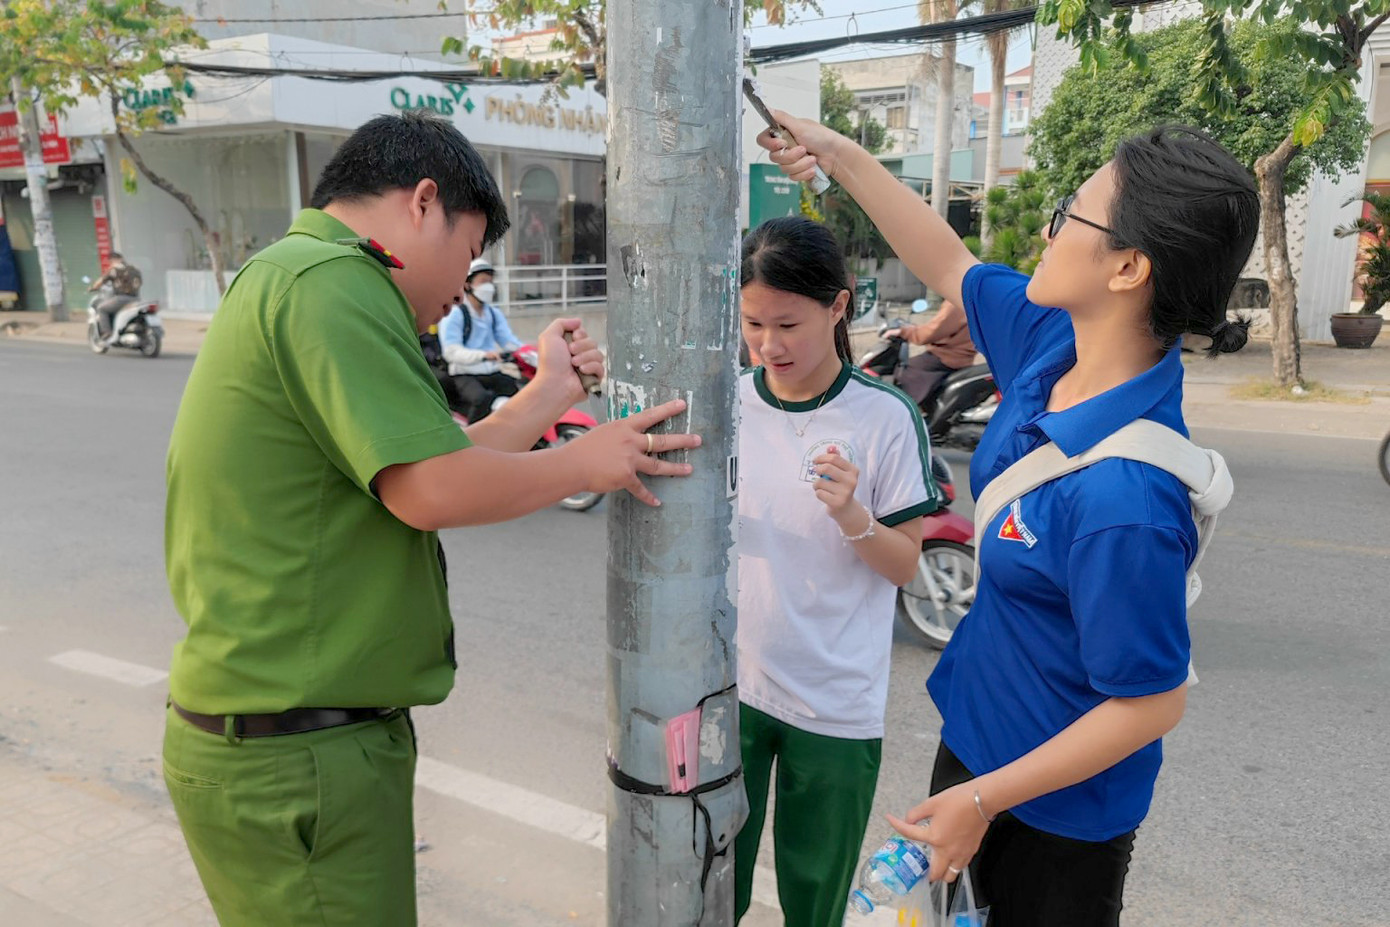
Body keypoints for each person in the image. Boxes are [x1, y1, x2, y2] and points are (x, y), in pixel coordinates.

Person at [162, 110, 700, 927]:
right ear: (423, 201)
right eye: (471, 249)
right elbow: (432, 490)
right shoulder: (332, 282)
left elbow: (435, 463)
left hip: (286, 739)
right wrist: (591, 460)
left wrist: (550, 396)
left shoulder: (300, 275)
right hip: (297, 754)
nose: (463, 284)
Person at [761, 120, 1258, 926]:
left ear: (1129, 267)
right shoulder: (1053, 340)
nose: (1051, 227)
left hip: (1057, 819)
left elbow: (1152, 702)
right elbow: (949, 262)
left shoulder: (1125, 499)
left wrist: (985, 800)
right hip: (977, 746)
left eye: (1073, 212)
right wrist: (838, 154)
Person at [734, 216, 942, 926]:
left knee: (813, 902)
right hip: (731, 688)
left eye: (788, 323)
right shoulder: (731, 400)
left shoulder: (884, 418)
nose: (769, 344)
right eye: (753, 323)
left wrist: (852, 512)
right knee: (709, 883)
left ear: (839, 306)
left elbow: (905, 561)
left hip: (833, 703)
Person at [440, 257, 523, 421]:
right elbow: (451, 352)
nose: (489, 287)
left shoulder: (493, 313)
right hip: (465, 374)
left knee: (520, 396)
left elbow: (509, 341)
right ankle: (471, 440)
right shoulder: (455, 314)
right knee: (481, 399)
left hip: (491, 370)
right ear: (467, 285)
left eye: (490, 282)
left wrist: (530, 353)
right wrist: (483, 355)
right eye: (483, 281)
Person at [883, 297, 978, 409]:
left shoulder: (957, 301)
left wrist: (903, 332)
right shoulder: (972, 299)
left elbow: (931, 332)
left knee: (902, 371)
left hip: (945, 357)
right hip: (962, 358)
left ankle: (907, 412)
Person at [88, 251, 143, 345]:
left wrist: (93, 288)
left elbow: (101, 281)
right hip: (136, 299)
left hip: (121, 299)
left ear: (114, 260)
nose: (111, 262)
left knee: (102, 309)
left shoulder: (114, 270)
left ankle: (107, 333)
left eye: (112, 260)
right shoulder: (134, 269)